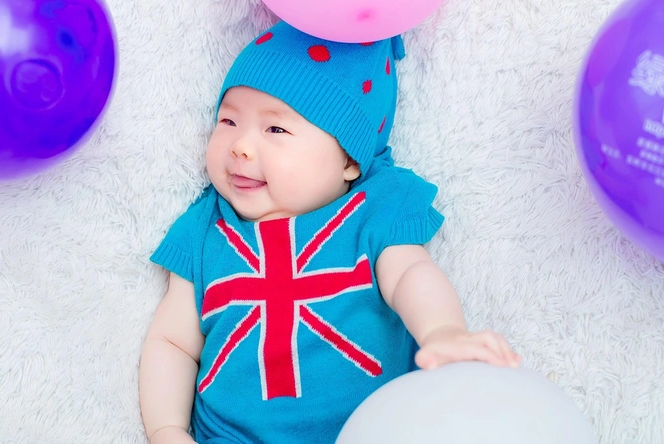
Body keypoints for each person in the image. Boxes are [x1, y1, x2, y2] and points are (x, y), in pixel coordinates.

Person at [139, 20, 521, 444]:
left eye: (275, 129)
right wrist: (166, 429)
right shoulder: (205, 228)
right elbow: (173, 342)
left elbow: (411, 274)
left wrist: (442, 332)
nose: (239, 146)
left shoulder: (373, 209)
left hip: (374, 428)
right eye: (228, 121)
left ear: (349, 161)